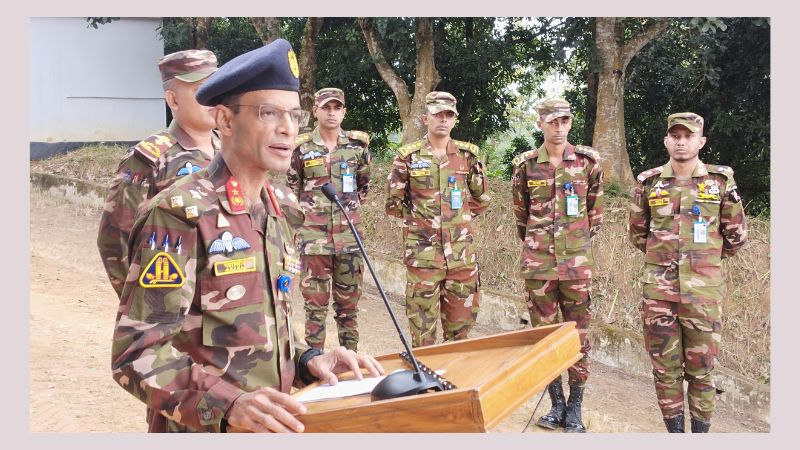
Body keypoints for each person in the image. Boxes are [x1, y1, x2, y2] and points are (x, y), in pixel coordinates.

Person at [110, 38, 384, 433]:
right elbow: (136, 353)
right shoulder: (180, 214)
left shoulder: (282, 208)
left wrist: (308, 361)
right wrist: (228, 405)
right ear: (224, 120)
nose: (287, 129)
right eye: (269, 112)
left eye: (294, 115)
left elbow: (263, 330)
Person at [628, 112, 747, 433]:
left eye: (688, 136)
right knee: (665, 371)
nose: (681, 142)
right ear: (666, 140)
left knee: (701, 370)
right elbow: (639, 234)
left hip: (703, 296)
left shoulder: (720, 181)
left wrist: (703, 262)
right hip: (659, 296)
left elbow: (735, 237)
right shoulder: (649, 182)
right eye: (675, 136)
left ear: (701, 141)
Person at [511, 98, 603, 433]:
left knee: (578, 337)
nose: (559, 127)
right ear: (541, 124)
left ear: (570, 122)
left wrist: (573, 245)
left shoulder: (587, 162)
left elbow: (595, 214)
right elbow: (522, 216)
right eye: (552, 122)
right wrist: (540, 245)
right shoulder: (525, 165)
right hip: (538, 267)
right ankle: (556, 406)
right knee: (545, 338)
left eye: (564, 121)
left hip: (576, 267)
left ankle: (575, 409)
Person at [97, 49, 220, 299]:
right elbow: (114, 239)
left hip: (226, 303)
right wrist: (145, 303)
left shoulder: (230, 150)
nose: (213, 98)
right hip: (174, 306)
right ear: (173, 100)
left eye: (216, 87)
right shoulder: (150, 158)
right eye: (200, 91)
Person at [385, 91, 490, 348]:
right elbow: (392, 203)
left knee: (460, 334)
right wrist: (422, 224)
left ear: (454, 120)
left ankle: (455, 383)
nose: (443, 119)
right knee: (422, 333)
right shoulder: (408, 156)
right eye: (437, 114)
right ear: (425, 118)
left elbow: (481, 198)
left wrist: (457, 220)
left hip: (461, 256)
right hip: (423, 256)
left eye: (448, 115)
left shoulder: (468, 156)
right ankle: (426, 386)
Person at [286, 88, 371, 352]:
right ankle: (314, 367)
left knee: (348, 310)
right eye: (326, 108)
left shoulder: (358, 147)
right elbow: (292, 188)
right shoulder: (300, 148)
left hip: (349, 240)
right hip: (313, 242)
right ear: (316, 111)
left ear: (344, 111)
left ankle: (351, 363)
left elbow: (363, 187)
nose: (331, 113)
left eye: (337, 108)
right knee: (315, 309)